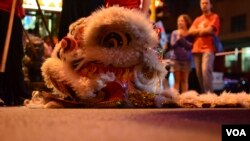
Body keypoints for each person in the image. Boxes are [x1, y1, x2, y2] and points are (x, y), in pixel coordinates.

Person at [0, 0, 29, 106]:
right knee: (12, 57)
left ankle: (10, 95)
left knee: (13, 57)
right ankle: (14, 94)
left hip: (10, 11)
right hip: (5, 11)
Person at [188, 0, 220, 93]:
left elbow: (210, 31)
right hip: (196, 49)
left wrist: (197, 31)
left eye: (206, 3)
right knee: (199, 74)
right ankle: (204, 94)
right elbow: (190, 32)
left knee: (206, 70)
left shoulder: (214, 17)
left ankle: (209, 95)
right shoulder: (198, 19)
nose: (204, 5)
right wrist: (203, 31)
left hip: (208, 48)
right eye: (202, 3)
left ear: (211, 5)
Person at [170, 14, 193, 93]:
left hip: (187, 59)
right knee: (177, 81)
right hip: (176, 59)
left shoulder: (190, 33)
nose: (180, 22)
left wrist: (182, 40)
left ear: (186, 22)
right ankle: (175, 99)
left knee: (184, 80)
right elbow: (172, 45)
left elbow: (190, 46)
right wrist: (178, 39)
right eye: (178, 21)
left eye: (182, 20)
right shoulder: (174, 33)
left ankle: (185, 99)